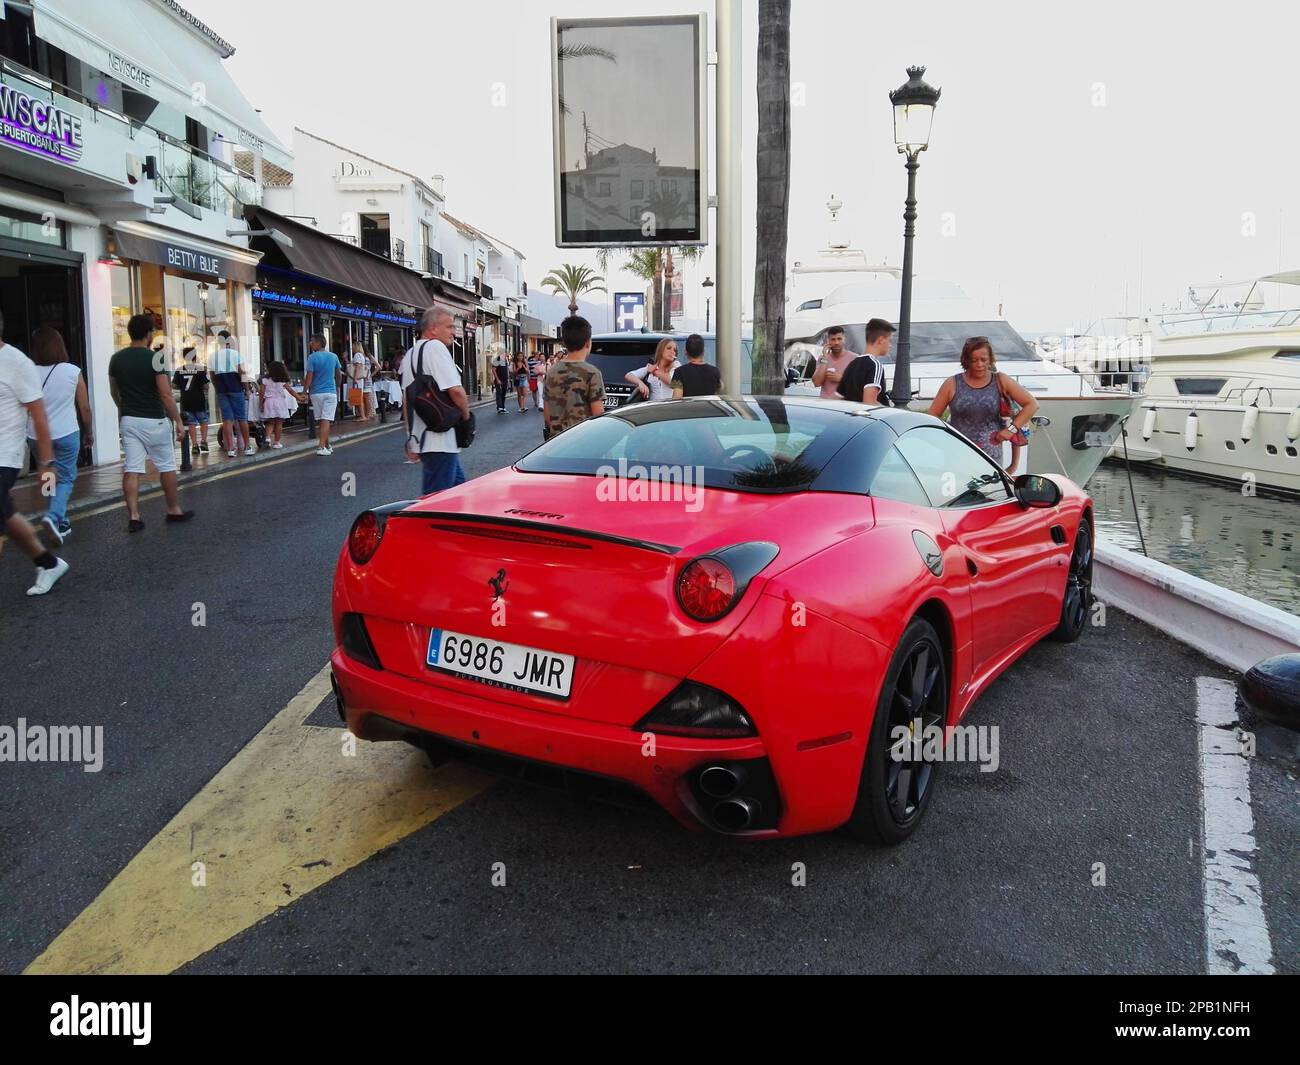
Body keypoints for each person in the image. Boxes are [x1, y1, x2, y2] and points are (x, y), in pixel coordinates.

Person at [0, 312, 69, 595]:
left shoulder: (17, 362)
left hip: (4, 455)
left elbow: (39, 416)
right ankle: (48, 562)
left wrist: (46, 461)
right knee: (5, 513)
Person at [107, 313, 194, 532]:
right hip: (154, 419)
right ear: (149, 334)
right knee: (166, 466)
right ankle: (173, 509)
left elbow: (113, 392)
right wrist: (178, 421)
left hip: (129, 420)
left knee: (132, 468)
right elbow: (165, 394)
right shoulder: (155, 359)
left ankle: (134, 517)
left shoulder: (116, 359)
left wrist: (124, 409)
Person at [928, 335, 1039, 473]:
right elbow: (931, 418)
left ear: (990, 359)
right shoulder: (952, 384)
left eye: (983, 360)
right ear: (966, 360)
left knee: (990, 493)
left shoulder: (1001, 380)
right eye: (974, 360)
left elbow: (1032, 404)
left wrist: (1010, 430)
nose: (979, 364)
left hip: (991, 458)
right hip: (957, 457)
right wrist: (943, 442)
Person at [26, 326, 91, 545]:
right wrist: (88, 432)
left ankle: (59, 520)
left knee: (48, 477)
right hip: (66, 432)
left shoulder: (28, 371)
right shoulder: (72, 371)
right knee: (65, 479)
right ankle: (54, 516)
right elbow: (84, 408)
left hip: (36, 434)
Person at [400, 307, 469, 494]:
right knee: (438, 501)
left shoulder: (410, 355)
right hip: (440, 439)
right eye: (449, 327)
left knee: (460, 493)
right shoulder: (435, 347)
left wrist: (411, 438)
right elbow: (456, 390)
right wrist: (467, 418)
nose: (454, 332)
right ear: (433, 328)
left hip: (424, 439)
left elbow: (407, 402)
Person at [543, 315, 604, 440]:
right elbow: (598, 416)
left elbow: (547, 416)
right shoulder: (592, 373)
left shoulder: (551, 372)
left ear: (564, 342)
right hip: (583, 442)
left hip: (556, 443)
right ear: (588, 343)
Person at [211, 330, 254, 457]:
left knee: (227, 420)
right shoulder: (235, 354)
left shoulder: (213, 356)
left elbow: (212, 376)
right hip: (236, 388)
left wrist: (217, 388)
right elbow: (242, 372)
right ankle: (247, 446)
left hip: (222, 390)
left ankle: (230, 448)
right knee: (241, 418)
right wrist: (246, 389)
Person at [836, 318, 893, 405]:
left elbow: (840, 397)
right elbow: (869, 403)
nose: (890, 345)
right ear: (881, 340)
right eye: (889, 341)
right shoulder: (875, 365)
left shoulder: (852, 364)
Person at [303, 334, 343, 455]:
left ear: (319, 343)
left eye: (312, 342)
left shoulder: (312, 357)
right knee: (326, 420)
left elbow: (309, 376)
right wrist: (337, 386)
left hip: (316, 393)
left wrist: (305, 391)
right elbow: (339, 374)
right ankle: (321, 447)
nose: (310, 344)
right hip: (330, 392)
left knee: (322, 420)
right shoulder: (334, 356)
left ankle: (327, 444)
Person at [172, 346, 210, 457]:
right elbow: (206, 386)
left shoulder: (180, 370)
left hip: (186, 400)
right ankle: (203, 441)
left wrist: (182, 387)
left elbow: (174, 385)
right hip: (199, 400)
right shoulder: (200, 369)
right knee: (203, 420)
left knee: (191, 423)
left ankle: (194, 445)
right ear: (194, 356)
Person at [259, 361, 297, 449]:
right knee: (279, 423)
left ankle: (268, 438)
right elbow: (291, 391)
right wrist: (299, 397)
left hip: (269, 402)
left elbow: (261, 392)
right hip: (280, 402)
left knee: (270, 422)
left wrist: (261, 403)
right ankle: (276, 442)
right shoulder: (282, 381)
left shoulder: (264, 380)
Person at [626, 337, 679, 401]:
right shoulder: (651, 367)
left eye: (674, 350)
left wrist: (655, 371)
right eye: (669, 348)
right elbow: (628, 375)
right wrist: (640, 383)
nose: (672, 352)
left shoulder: (676, 365)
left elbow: (672, 382)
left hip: (669, 408)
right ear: (661, 350)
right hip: (653, 408)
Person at [812, 325, 858, 398]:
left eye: (839, 339)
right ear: (828, 341)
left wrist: (841, 379)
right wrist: (825, 358)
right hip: (825, 405)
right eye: (833, 339)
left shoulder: (855, 358)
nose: (836, 342)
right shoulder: (823, 358)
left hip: (845, 405)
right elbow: (817, 383)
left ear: (844, 339)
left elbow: (859, 385)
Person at [671, 333, 722, 398]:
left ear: (685, 352)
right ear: (703, 352)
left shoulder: (679, 372)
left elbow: (676, 398)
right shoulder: (715, 371)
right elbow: (719, 389)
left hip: (688, 408)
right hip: (708, 408)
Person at [349, 341, 375, 421]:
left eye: (353, 346)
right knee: (359, 396)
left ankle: (362, 415)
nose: (351, 348)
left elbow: (358, 366)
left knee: (358, 397)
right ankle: (363, 415)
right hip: (361, 379)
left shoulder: (357, 355)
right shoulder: (361, 356)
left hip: (358, 379)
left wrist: (355, 378)